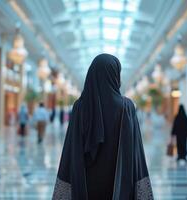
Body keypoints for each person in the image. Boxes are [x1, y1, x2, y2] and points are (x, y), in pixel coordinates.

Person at [52, 54, 153, 199]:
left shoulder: (79, 107)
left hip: (85, 184)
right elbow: (136, 152)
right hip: (119, 184)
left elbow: (70, 149)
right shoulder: (126, 107)